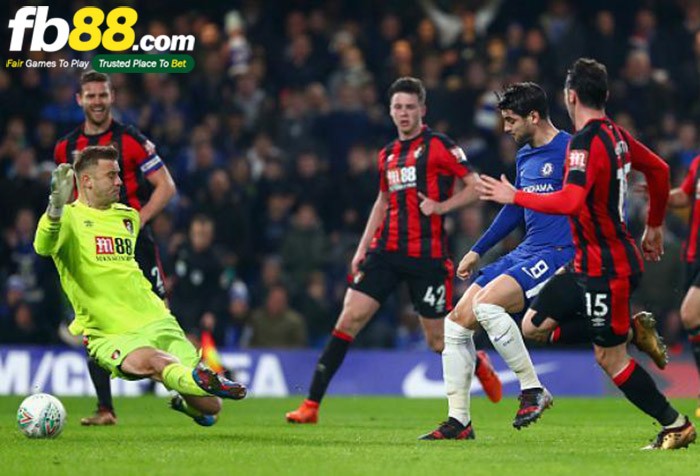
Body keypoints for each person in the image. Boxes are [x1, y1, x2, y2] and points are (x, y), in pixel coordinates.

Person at [479, 58, 696, 450]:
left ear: (571, 96)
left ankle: (675, 424)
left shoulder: (583, 143)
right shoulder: (616, 136)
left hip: (607, 266)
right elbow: (661, 171)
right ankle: (630, 330)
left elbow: (570, 199)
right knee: (533, 326)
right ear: (606, 95)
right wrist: (655, 225)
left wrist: (517, 196)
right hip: (585, 263)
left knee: (609, 358)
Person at [285, 76, 501, 424]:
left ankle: (478, 363)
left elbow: (476, 187)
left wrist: (441, 207)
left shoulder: (439, 146)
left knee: (437, 341)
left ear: (422, 110)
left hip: (427, 257)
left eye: (410, 107)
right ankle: (311, 405)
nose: (403, 113)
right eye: (398, 107)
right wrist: (362, 248)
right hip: (385, 252)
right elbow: (383, 201)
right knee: (349, 318)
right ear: (390, 110)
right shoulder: (387, 154)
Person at [34, 145, 246, 427]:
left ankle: (193, 395)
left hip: (156, 319)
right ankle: (198, 378)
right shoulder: (67, 219)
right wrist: (54, 209)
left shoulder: (128, 217)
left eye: (119, 174)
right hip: (111, 331)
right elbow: (42, 246)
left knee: (211, 406)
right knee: (157, 363)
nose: (119, 182)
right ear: (87, 181)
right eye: (111, 175)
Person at [421, 82, 574, 440]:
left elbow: (582, 202)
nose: (506, 129)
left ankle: (532, 389)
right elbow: (515, 208)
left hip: (556, 252)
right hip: (525, 250)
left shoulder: (570, 151)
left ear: (533, 117)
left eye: (511, 120)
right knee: (456, 324)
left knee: (488, 307)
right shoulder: (525, 156)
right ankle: (459, 422)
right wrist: (478, 249)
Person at [54, 70, 177, 426]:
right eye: (90, 95)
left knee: (160, 311)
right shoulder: (64, 147)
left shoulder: (131, 140)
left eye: (102, 95)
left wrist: (137, 221)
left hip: (132, 242)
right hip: (89, 245)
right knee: (95, 320)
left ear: (112, 97)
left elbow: (165, 186)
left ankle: (181, 386)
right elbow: (64, 194)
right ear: (79, 100)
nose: (96, 101)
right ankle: (105, 409)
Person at [665, 154, 700, 418]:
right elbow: (684, 196)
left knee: (689, 314)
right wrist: (659, 194)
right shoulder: (698, 162)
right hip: (693, 254)